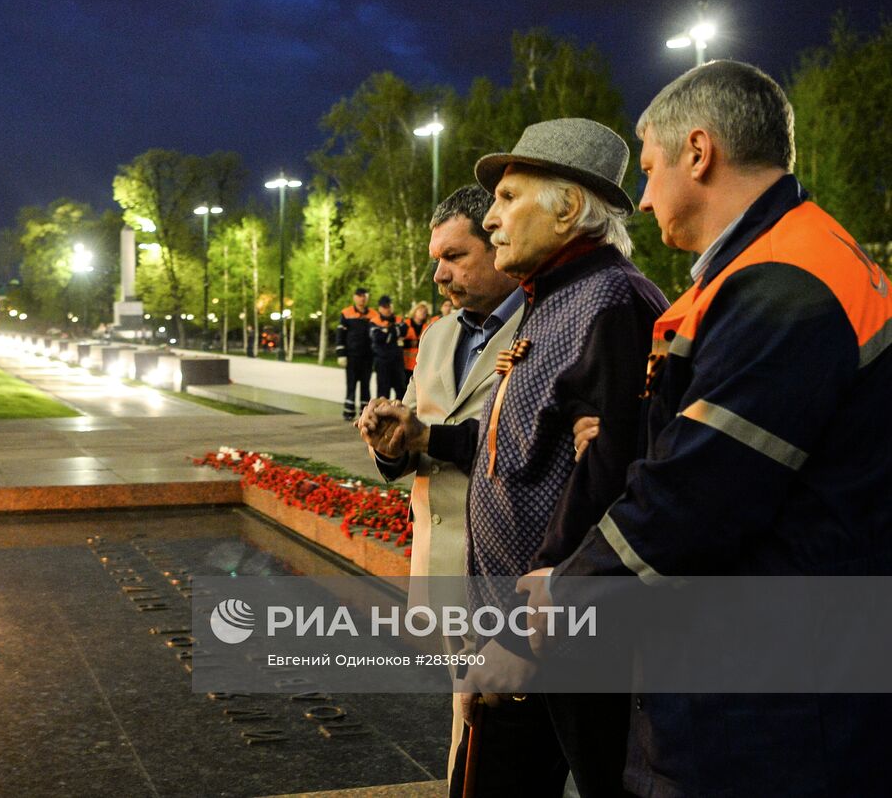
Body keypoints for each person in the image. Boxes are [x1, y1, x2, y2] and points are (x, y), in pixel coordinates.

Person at [522, 61, 892, 797]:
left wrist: (567, 590)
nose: (648, 195)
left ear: (700, 153)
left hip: (773, 706)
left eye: (651, 169)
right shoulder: (782, 266)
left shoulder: (785, 285)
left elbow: (699, 491)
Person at [365, 118, 668, 797]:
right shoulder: (553, 297)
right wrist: (423, 439)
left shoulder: (613, 303)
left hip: (563, 639)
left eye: (507, 198)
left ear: (566, 207)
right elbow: (523, 447)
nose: (492, 219)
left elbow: (610, 488)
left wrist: (520, 640)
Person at [358, 185, 524, 790]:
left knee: (493, 735)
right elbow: (414, 428)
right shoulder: (436, 335)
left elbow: (528, 444)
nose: (439, 275)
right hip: (443, 565)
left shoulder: (545, 323)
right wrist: (389, 443)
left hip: (507, 573)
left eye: (454, 256)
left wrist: (427, 437)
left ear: (499, 243)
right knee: (466, 718)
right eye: (436, 259)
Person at [335, 286, 377, 420]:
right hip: (351, 356)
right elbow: (340, 335)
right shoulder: (346, 313)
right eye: (359, 296)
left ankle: (365, 414)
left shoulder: (373, 315)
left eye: (364, 296)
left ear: (367, 298)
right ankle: (349, 412)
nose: (362, 299)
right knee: (351, 385)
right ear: (354, 298)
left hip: (367, 357)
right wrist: (341, 354)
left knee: (366, 386)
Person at [370, 295, 408, 399]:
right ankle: (383, 415)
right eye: (385, 306)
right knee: (383, 392)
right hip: (382, 361)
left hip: (397, 361)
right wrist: (395, 332)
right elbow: (378, 337)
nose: (387, 309)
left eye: (389, 306)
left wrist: (387, 332)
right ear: (380, 308)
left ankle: (400, 414)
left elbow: (404, 331)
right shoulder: (374, 321)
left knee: (401, 390)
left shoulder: (399, 319)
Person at [401, 301, 431, 374]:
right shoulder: (405, 325)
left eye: (425, 312)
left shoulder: (428, 328)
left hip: (420, 365)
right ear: (415, 311)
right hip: (405, 364)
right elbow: (399, 342)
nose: (423, 313)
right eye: (420, 310)